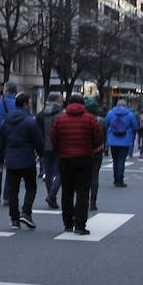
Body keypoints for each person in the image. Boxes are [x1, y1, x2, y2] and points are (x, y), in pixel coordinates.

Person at [50, 93, 104, 235]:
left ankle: (67, 223)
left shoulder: (60, 119)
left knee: (67, 191)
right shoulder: (90, 119)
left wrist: (60, 150)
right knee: (82, 192)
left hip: (65, 158)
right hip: (85, 158)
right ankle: (80, 224)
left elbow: (54, 139)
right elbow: (98, 139)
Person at [0, 92, 45, 230]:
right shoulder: (30, 121)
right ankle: (26, 212)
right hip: (27, 159)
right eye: (29, 103)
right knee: (31, 187)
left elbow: (1, 143)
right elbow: (38, 140)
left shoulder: (6, 121)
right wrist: (41, 154)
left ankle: (14, 218)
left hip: (11, 159)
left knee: (12, 190)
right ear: (25, 104)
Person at [35, 93, 64, 209]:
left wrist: (39, 148)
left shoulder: (41, 114)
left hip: (44, 147)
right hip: (58, 147)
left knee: (48, 172)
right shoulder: (61, 115)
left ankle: (50, 195)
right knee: (60, 172)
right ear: (57, 101)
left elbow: (37, 132)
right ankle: (52, 194)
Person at [104, 98, 137, 187]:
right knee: (121, 160)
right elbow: (135, 127)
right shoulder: (130, 114)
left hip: (113, 140)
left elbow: (106, 124)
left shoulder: (110, 113)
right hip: (125, 140)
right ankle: (120, 180)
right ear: (126, 105)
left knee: (115, 160)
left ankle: (115, 179)